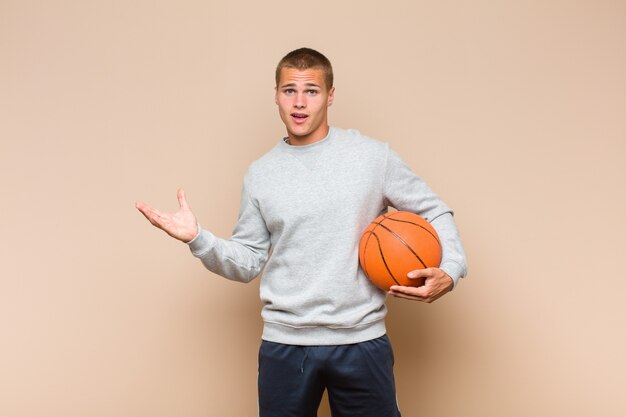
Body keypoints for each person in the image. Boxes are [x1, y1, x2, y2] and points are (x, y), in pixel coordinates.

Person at [136, 47, 467, 417]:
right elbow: (247, 261)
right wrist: (198, 239)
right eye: (289, 90)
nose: (299, 102)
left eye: (311, 90)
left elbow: (434, 210)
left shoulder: (372, 158)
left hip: (361, 341)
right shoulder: (261, 174)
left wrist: (450, 270)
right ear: (276, 95)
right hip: (285, 345)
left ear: (330, 95)